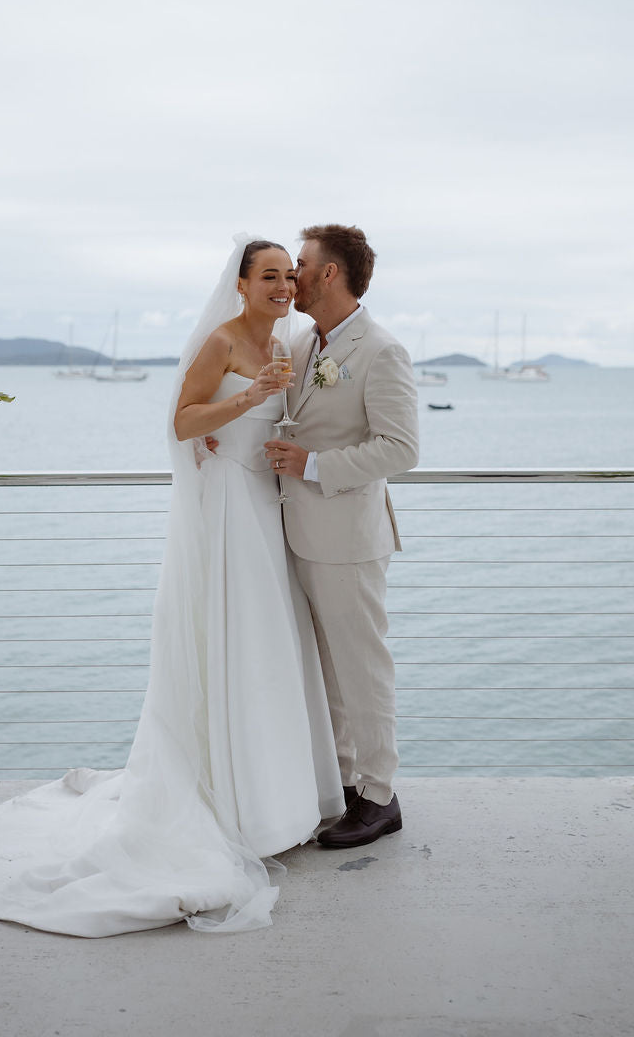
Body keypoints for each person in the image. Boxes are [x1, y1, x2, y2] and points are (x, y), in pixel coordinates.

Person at [0, 236, 342, 937]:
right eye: (268, 276)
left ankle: (278, 801)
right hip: (226, 512)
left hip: (265, 509)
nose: (281, 286)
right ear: (241, 284)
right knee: (232, 641)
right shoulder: (222, 341)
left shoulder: (285, 342)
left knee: (270, 647)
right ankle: (234, 806)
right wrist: (248, 398)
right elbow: (181, 421)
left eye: (287, 275)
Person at [264, 224, 419, 849]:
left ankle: (380, 798)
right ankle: (345, 784)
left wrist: (314, 465)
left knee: (362, 669)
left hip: (349, 537)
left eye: (301, 264)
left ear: (330, 273)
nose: (292, 275)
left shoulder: (381, 350)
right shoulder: (302, 341)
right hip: (297, 530)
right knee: (327, 672)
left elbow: (401, 448)